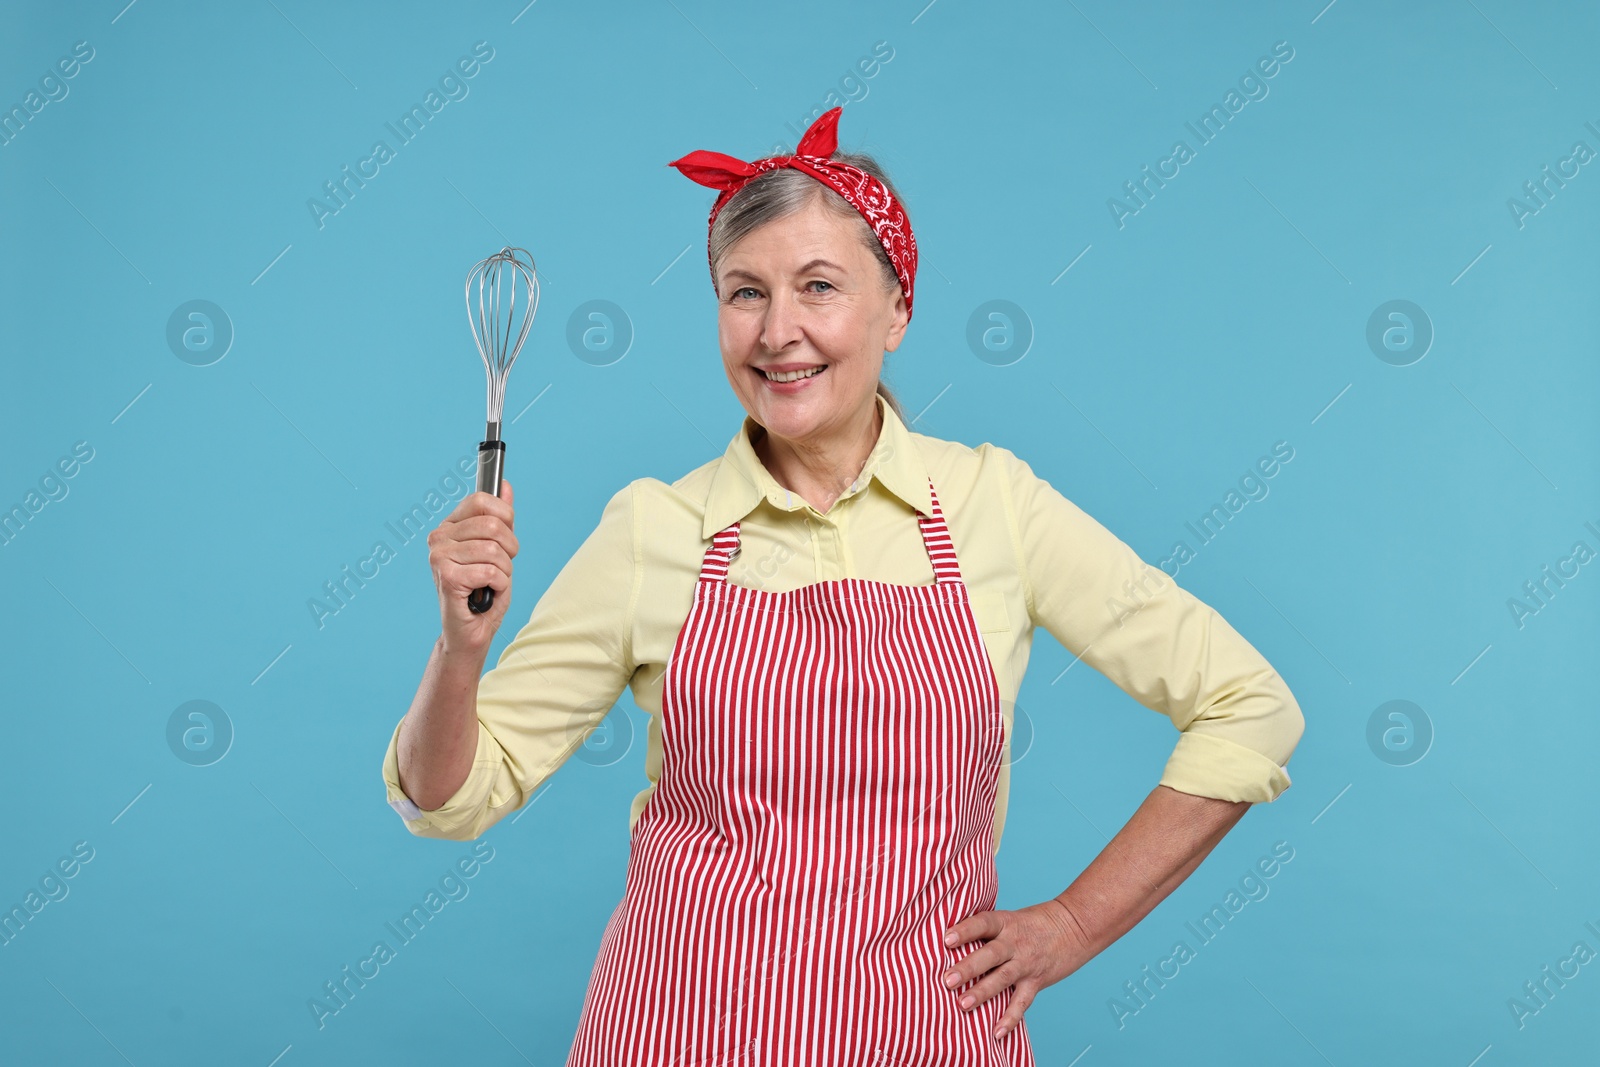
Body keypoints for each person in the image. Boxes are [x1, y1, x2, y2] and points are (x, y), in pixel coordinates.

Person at [380, 106, 1305, 1065]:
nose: (779, 332)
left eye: (818, 286)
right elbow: (448, 800)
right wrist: (461, 648)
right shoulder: (657, 528)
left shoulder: (994, 504)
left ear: (898, 308)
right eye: (744, 293)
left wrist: (1071, 925)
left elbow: (1250, 709)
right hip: (676, 1034)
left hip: (931, 1038)